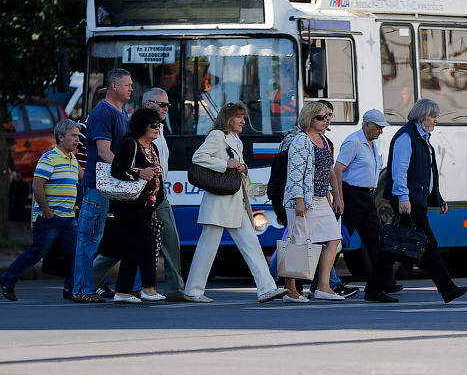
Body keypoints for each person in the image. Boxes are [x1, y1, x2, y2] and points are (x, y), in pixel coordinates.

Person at [364, 99, 467, 304]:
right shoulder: (407, 137)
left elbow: (428, 173)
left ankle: (374, 289)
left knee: (395, 245)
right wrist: (403, 198)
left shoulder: (422, 137)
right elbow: (399, 170)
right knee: (427, 244)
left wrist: (437, 198)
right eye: (433, 116)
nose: (436, 120)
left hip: (415, 200)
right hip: (409, 201)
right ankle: (447, 289)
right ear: (422, 117)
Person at [184, 101, 287, 303]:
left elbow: (237, 165)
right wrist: (226, 164)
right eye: (239, 117)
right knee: (207, 248)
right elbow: (198, 157)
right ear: (229, 118)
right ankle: (193, 291)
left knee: (251, 244)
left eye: (243, 118)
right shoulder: (217, 136)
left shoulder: (235, 139)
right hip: (219, 202)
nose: (242, 121)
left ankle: (266, 288)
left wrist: (241, 167)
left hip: (235, 202)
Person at [0, 120, 82, 301]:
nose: (77, 139)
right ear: (60, 137)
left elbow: (84, 179)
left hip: (68, 218)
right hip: (51, 218)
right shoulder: (49, 157)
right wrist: (47, 213)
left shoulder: (73, 159)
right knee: (37, 252)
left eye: (78, 135)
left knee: (76, 252)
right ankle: (7, 279)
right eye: (73, 135)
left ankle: (72, 289)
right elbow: (37, 186)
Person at [72, 69, 132, 303]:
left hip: (111, 185)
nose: (131, 88)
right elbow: (103, 151)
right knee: (89, 240)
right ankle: (82, 289)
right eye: (127, 84)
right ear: (114, 86)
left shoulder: (121, 111)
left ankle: (87, 287)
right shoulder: (102, 112)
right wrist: (129, 171)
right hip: (98, 186)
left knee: (97, 239)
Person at [282, 101, 345, 301]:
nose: (325, 120)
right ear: (309, 119)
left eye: (327, 116)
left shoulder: (323, 140)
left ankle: (323, 287)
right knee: (296, 244)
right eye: (320, 117)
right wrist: (299, 200)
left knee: (333, 238)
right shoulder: (301, 140)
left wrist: (336, 197)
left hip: (320, 199)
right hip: (301, 200)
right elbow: (294, 173)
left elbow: (330, 172)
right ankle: (291, 291)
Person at [334, 109, 401, 295]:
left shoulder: (372, 144)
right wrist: (339, 198)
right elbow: (338, 169)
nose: (381, 131)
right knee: (339, 241)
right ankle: (323, 281)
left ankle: (387, 281)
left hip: (367, 197)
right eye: (378, 127)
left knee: (377, 239)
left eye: (382, 127)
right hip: (352, 195)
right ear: (367, 125)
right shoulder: (353, 141)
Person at [108, 108, 166, 303]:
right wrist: (139, 173)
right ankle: (148, 289)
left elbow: (157, 178)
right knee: (147, 241)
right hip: (127, 204)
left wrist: (155, 204)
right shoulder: (130, 144)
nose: (157, 128)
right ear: (142, 126)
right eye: (153, 125)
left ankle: (122, 292)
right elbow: (116, 170)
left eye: (159, 125)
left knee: (132, 246)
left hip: (145, 205)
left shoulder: (153, 148)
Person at [142, 88, 184, 301]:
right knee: (123, 245)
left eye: (168, 104)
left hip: (160, 189)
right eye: (162, 104)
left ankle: (176, 289)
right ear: (148, 104)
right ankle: (86, 281)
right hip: (148, 190)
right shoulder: (143, 129)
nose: (167, 108)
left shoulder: (159, 128)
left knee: (170, 240)